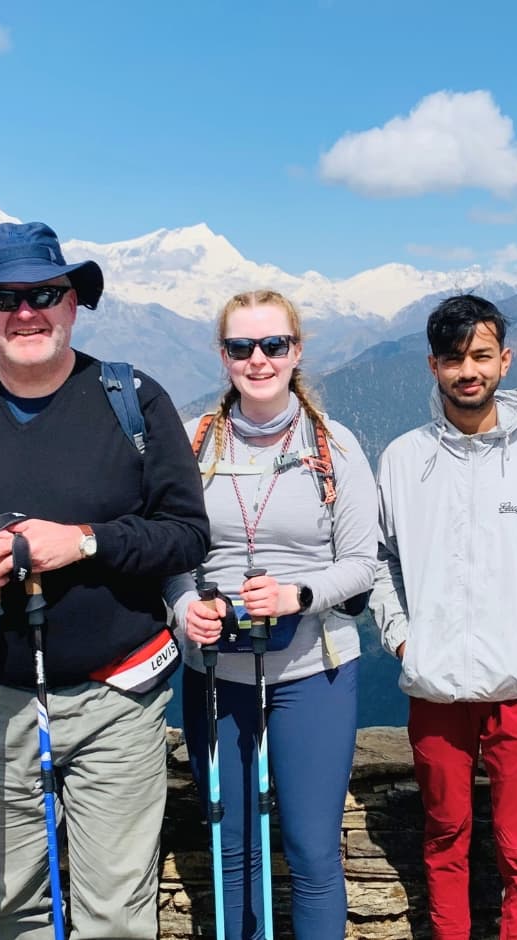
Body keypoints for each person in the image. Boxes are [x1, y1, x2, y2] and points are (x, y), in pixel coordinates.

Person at [0, 221, 209, 938]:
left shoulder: (132, 398)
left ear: (74, 303)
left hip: (118, 695)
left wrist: (84, 542)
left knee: (115, 912)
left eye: (45, 294)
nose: (26, 312)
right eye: (4, 297)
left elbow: (186, 533)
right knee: (6, 903)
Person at [370, 293, 517, 939]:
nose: (470, 370)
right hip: (436, 686)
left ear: (505, 360)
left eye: (482, 356)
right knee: (444, 841)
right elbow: (377, 560)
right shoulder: (404, 460)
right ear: (433, 366)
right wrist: (404, 641)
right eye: (455, 358)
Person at [167, 289, 379, 939]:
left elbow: (363, 563)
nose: (258, 360)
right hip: (216, 669)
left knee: (314, 851)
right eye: (241, 347)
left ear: (296, 351)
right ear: (223, 354)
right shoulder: (194, 443)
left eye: (273, 345)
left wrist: (298, 595)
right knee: (231, 848)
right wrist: (182, 610)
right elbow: (172, 553)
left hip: (314, 669)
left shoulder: (333, 446)